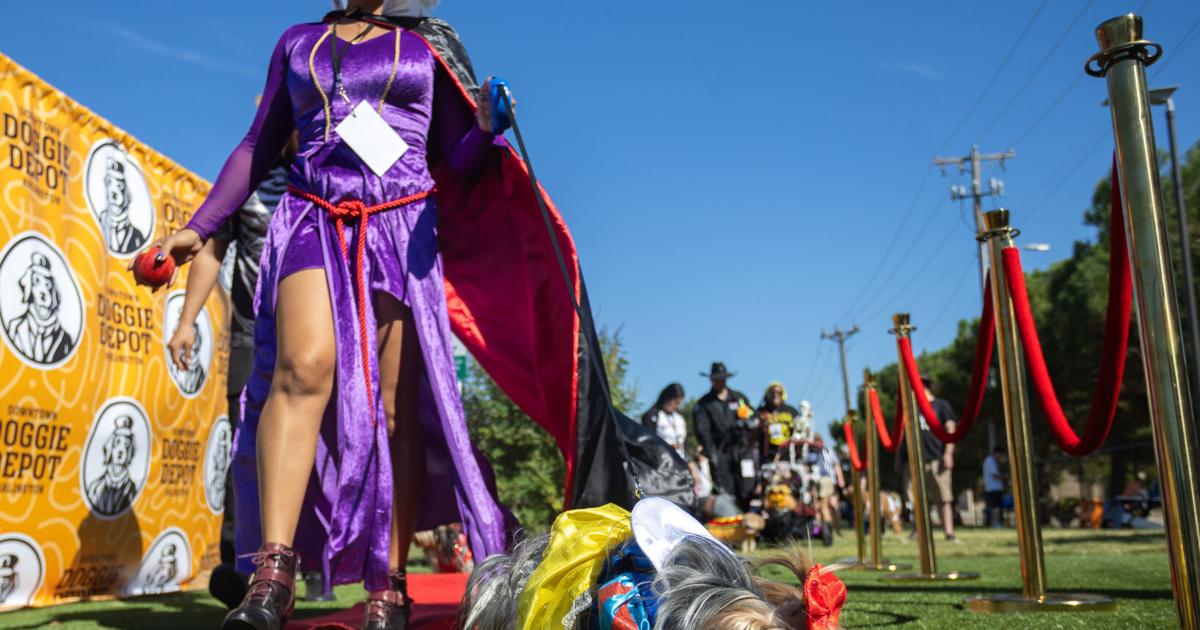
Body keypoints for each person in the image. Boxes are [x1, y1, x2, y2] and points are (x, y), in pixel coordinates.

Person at [142, 2, 573, 627]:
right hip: (312, 216)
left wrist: (485, 127)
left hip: (403, 228)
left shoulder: (427, 47)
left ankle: (388, 582)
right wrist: (197, 226)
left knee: (396, 405)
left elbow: (458, 158)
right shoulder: (298, 42)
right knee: (301, 369)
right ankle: (273, 573)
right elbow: (257, 143)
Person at [166, 132, 300, 609]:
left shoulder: (326, 171)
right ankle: (243, 569)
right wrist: (186, 321)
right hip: (251, 337)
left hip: (315, 341)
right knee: (245, 446)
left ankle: (301, 560)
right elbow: (212, 250)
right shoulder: (246, 178)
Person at [896, 376, 959, 542]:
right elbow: (903, 435)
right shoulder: (910, 408)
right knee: (915, 500)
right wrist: (900, 459)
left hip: (937, 458)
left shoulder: (941, 405)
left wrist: (948, 453)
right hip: (914, 461)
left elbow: (951, 428)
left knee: (943, 498)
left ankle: (949, 533)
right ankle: (918, 532)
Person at [693, 362, 756, 508]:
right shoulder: (704, 404)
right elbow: (702, 432)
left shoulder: (738, 398)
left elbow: (753, 415)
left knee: (747, 487)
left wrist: (748, 422)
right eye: (717, 379)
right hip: (720, 453)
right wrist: (711, 454)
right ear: (711, 380)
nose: (720, 382)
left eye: (722, 378)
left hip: (742, 452)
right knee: (726, 492)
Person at [806, 435, 844, 535]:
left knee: (828, 505)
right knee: (822, 506)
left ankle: (832, 528)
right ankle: (828, 529)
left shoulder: (828, 451)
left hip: (827, 481)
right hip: (819, 482)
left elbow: (837, 465)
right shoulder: (810, 453)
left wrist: (840, 479)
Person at [640, 383, 688, 459]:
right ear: (667, 398)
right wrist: (667, 447)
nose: (677, 406)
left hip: (680, 462)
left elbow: (684, 444)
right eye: (676, 402)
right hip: (661, 461)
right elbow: (647, 442)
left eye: (679, 403)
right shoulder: (652, 415)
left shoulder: (679, 418)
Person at [757, 381, 800, 461]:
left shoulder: (791, 411)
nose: (775, 395)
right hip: (767, 458)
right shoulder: (760, 412)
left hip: (789, 457)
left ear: (783, 394)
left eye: (779, 392)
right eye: (772, 392)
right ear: (767, 394)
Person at [982, 446, 1007, 528]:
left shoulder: (992, 461)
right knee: (995, 507)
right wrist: (1006, 477)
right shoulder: (990, 461)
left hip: (994, 488)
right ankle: (995, 523)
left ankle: (996, 522)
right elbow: (994, 475)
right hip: (993, 488)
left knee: (996, 506)